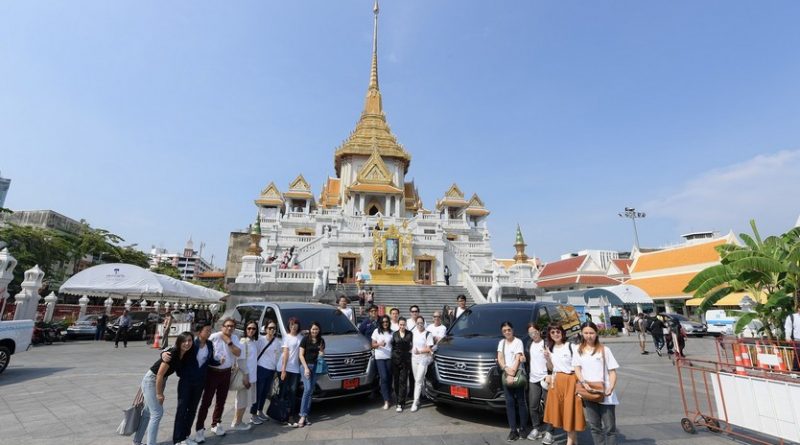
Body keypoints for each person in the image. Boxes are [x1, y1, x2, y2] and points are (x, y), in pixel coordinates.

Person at [133, 331, 193, 445]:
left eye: (189, 340)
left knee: (147, 413)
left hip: (159, 380)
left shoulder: (185, 353)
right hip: (152, 380)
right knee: (157, 413)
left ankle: (136, 442)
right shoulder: (173, 353)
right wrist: (159, 394)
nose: (187, 343)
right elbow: (160, 374)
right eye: (184, 341)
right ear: (179, 342)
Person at [170, 323, 220, 445]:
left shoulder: (209, 344)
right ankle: (177, 439)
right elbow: (177, 351)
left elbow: (210, 360)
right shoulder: (191, 343)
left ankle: (186, 436)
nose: (209, 333)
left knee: (192, 410)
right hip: (186, 382)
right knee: (182, 409)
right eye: (207, 330)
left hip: (199, 382)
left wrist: (219, 362)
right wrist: (164, 355)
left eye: (210, 330)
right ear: (199, 332)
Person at [573, 322, 620, 445]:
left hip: (605, 392)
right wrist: (583, 382)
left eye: (591, 333)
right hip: (588, 391)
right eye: (586, 333)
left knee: (610, 427)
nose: (589, 336)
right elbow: (577, 368)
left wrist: (611, 387)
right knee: (595, 426)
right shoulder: (578, 350)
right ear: (582, 333)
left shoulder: (605, 350)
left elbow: (612, 372)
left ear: (596, 333)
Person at [196, 318, 241, 438]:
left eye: (232, 326)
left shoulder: (235, 338)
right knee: (206, 401)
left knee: (221, 401)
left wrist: (229, 342)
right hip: (212, 372)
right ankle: (199, 428)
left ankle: (216, 424)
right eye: (227, 326)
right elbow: (202, 346)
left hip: (226, 372)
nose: (229, 328)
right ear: (222, 327)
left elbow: (238, 353)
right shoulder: (214, 336)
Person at [543, 325, 584, 445]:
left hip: (570, 380)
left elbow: (579, 366)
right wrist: (548, 358)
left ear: (562, 332)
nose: (556, 334)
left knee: (570, 413)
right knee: (562, 413)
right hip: (557, 382)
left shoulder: (571, 346)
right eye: (552, 332)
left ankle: (570, 442)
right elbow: (551, 368)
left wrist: (580, 383)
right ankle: (573, 441)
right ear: (550, 335)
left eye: (558, 331)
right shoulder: (551, 348)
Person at [497, 321, 528, 442]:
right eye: (504, 330)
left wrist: (512, 372)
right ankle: (513, 430)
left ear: (512, 330)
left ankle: (523, 428)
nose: (507, 332)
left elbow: (518, 358)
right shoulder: (501, 343)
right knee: (509, 402)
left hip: (517, 374)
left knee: (521, 401)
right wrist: (506, 369)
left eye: (509, 330)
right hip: (507, 373)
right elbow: (500, 358)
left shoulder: (518, 342)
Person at [526, 323, 553, 442]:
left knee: (548, 406)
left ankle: (550, 431)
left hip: (545, 378)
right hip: (533, 379)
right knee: (533, 405)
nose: (533, 335)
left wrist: (549, 373)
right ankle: (536, 428)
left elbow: (552, 363)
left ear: (539, 331)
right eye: (530, 333)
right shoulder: (529, 344)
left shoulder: (546, 343)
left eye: (535, 332)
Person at [251, 320, 281, 422]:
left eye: (274, 328)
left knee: (265, 392)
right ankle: (253, 414)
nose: (272, 330)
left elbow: (278, 356)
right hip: (261, 368)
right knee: (258, 392)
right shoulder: (260, 340)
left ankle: (260, 411)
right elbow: (254, 353)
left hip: (271, 370)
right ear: (266, 329)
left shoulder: (277, 342)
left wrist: (277, 369)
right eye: (270, 328)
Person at [231, 321, 259, 431]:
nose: (251, 330)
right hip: (245, 377)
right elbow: (240, 360)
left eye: (253, 328)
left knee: (245, 400)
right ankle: (237, 423)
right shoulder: (243, 342)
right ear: (245, 329)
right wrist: (245, 375)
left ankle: (237, 420)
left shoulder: (253, 342)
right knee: (242, 400)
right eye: (249, 328)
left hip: (251, 376)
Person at [298, 321, 326, 427]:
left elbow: (322, 354)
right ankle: (302, 415)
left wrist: (322, 354)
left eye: (317, 329)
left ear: (319, 330)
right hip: (306, 366)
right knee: (307, 389)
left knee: (310, 391)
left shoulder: (321, 340)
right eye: (313, 329)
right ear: (310, 329)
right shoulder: (305, 339)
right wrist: (305, 368)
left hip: (316, 367)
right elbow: (301, 355)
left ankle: (306, 415)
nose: (315, 331)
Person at [278, 317, 303, 426]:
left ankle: (291, 416)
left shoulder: (301, 337)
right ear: (289, 326)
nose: (294, 326)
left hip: (295, 369)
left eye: (295, 324)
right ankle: (281, 415)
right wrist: (283, 370)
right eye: (292, 324)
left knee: (293, 393)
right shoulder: (286, 337)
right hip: (285, 368)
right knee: (283, 392)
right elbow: (285, 353)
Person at [410, 316, 434, 412]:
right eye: (418, 323)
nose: (419, 324)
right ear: (416, 323)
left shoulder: (428, 334)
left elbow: (429, 349)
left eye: (421, 323)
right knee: (417, 379)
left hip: (423, 359)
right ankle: (423, 394)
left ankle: (415, 402)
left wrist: (419, 351)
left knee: (418, 380)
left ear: (424, 323)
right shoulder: (413, 333)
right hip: (414, 359)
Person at [371, 315, 394, 410]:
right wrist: (379, 344)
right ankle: (386, 400)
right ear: (380, 323)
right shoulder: (376, 331)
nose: (385, 323)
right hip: (380, 358)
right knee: (383, 378)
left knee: (389, 378)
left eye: (387, 322)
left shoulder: (392, 332)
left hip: (389, 358)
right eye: (383, 322)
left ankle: (388, 395)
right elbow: (372, 345)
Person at [391, 317, 413, 412]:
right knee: (396, 381)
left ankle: (401, 402)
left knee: (403, 381)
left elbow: (412, 345)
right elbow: (392, 346)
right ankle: (398, 398)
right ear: (398, 325)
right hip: (395, 360)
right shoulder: (394, 334)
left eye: (404, 324)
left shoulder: (410, 334)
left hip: (405, 360)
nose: (402, 326)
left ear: (406, 325)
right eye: (400, 324)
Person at [784, 301, 800, 371]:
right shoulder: (792, 317)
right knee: (798, 356)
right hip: (797, 340)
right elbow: (788, 327)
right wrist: (788, 336)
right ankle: (795, 370)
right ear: (798, 308)